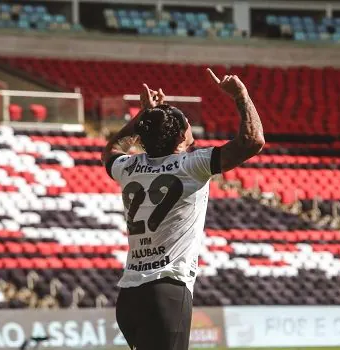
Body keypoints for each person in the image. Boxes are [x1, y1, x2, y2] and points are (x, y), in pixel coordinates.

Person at [101, 68, 264, 350]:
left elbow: (111, 149)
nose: (191, 128)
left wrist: (144, 117)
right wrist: (242, 96)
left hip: (129, 296)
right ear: (179, 138)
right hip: (166, 291)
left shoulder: (128, 167)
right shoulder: (192, 165)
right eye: (187, 124)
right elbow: (253, 141)